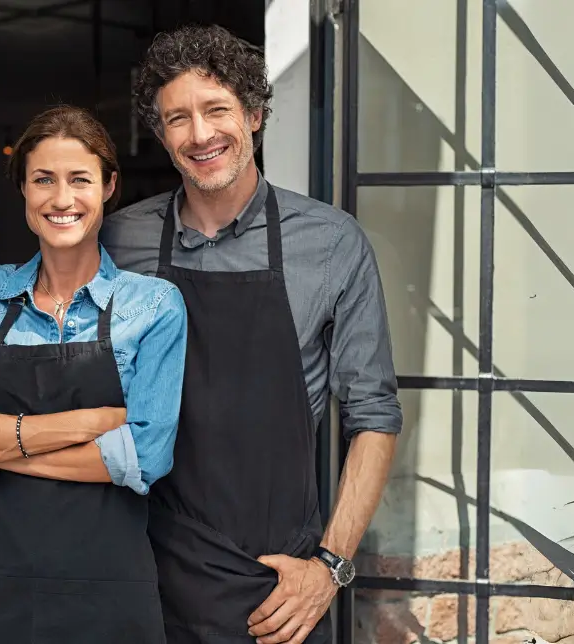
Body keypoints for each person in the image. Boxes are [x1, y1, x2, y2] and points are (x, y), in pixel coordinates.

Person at [100, 24, 402, 644]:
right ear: (161, 135)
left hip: (275, 587)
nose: (201, 134)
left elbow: (373, 415)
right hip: (139, 567)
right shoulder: (117, 240)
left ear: (256, 114)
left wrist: (330, 567)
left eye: (217, 109)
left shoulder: (331, 242)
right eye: (177, 118)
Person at [0, 105, 188, 644]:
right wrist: (93, 423)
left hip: (111, 592)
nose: (61, 199)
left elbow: (148, 456)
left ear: (109, 186)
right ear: (22, 190)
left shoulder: (154, 305)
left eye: (79, 180)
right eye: (43, 179)